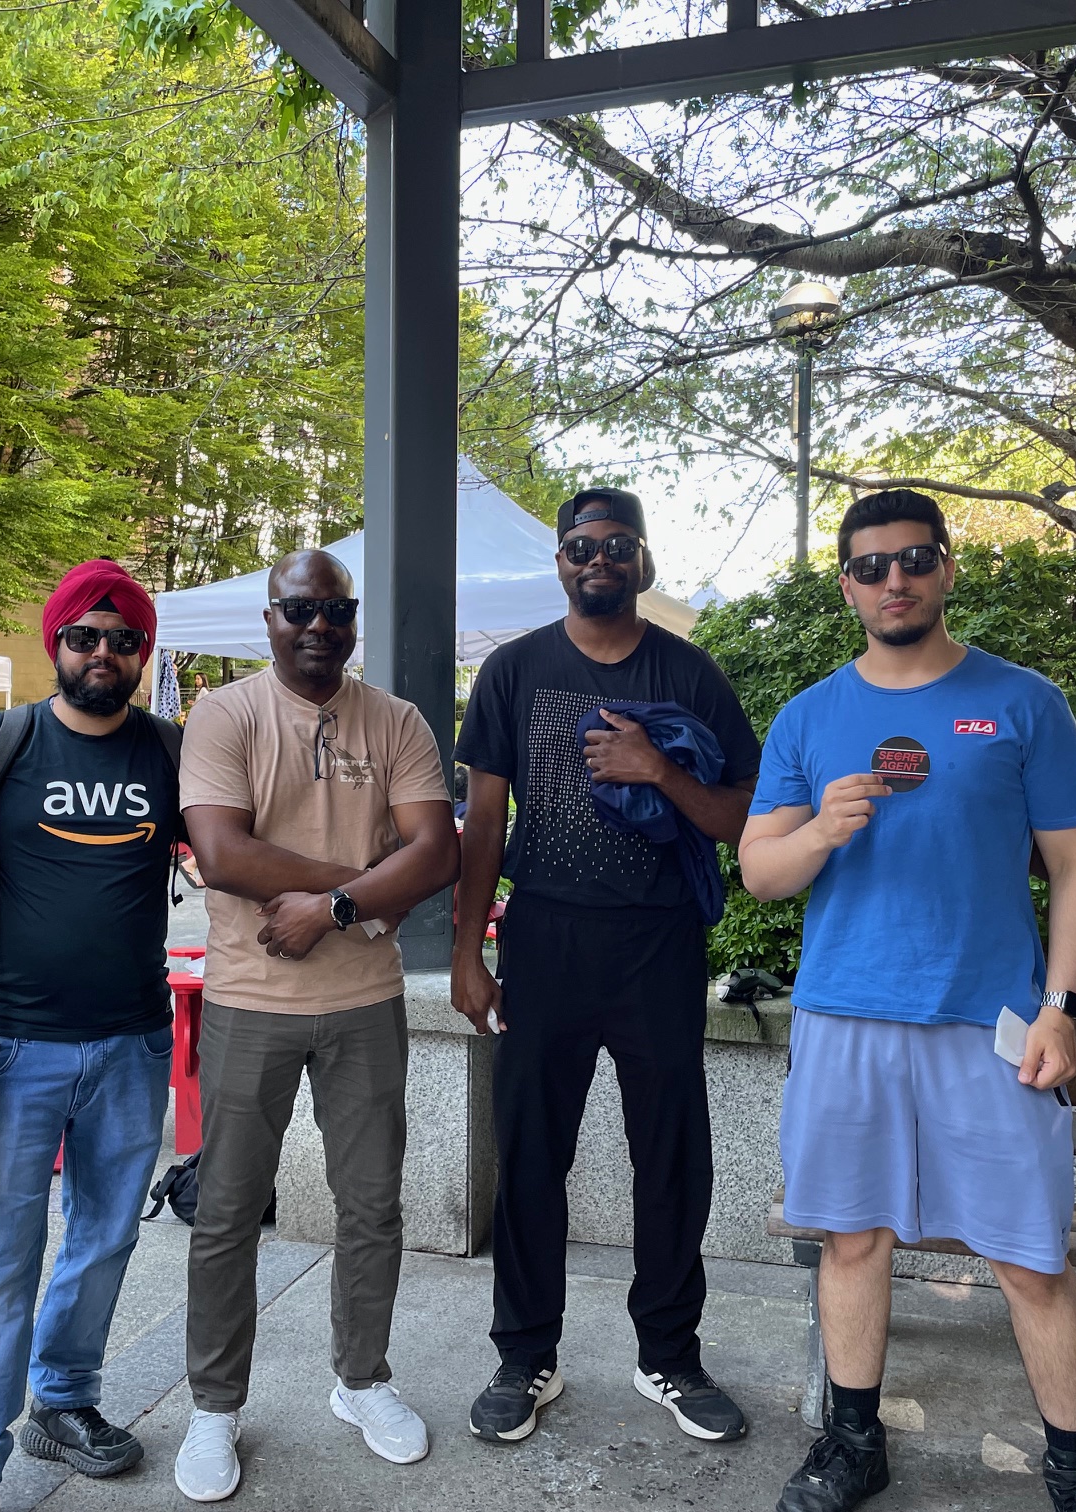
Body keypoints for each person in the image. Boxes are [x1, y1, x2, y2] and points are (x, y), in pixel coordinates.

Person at [737, 489, 1076, 1512]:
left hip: (989, 1026)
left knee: (1029, 1257)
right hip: (845, 1017)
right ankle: (854, 1443)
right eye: (870, 566)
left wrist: (1062, 1005)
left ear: (947, 568)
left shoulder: (1023, 701)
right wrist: (820, 831)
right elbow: (760, 872)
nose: (893, 580)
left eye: (913, 559)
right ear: (847, 586)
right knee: (852, 1238)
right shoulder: (810, 715)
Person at [450, 486, 761, 1445]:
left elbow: (745, 820)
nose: (600, 558)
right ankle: (524, 1355)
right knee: (531, 1150)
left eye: (618, 544)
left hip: (659, 941)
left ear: (642, 560)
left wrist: (660, 771)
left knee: (671, 1153)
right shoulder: (513, 670)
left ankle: (669, 1354)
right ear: (560, 561)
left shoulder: (690, 671)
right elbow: (483, 823)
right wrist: (468, 951)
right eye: (582, 545)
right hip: (545, 937)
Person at [172, 549, 459, 1503]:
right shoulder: (226, 715)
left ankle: (361, 1381)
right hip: (249, 1000)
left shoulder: (398, 721)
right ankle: (215, 1407)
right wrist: (370, 887)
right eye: (299, 610)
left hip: (364, 1002)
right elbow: (222, 854)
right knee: (226, 1213)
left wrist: (333, 910)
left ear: (352, 618)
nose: (319, 627)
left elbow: (439, 852)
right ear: (270, 619)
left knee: (372, 1207)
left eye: (335, 610)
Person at [0, 562, 183, 1512]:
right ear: (56, 644)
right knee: (0, 1256)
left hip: (133, 1043)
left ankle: (64, 1400)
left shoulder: (173, 750)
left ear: (142, 652)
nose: (102, 653)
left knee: (105, 1238)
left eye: (123, 639)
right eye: (85, 636)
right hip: (10, 1045)